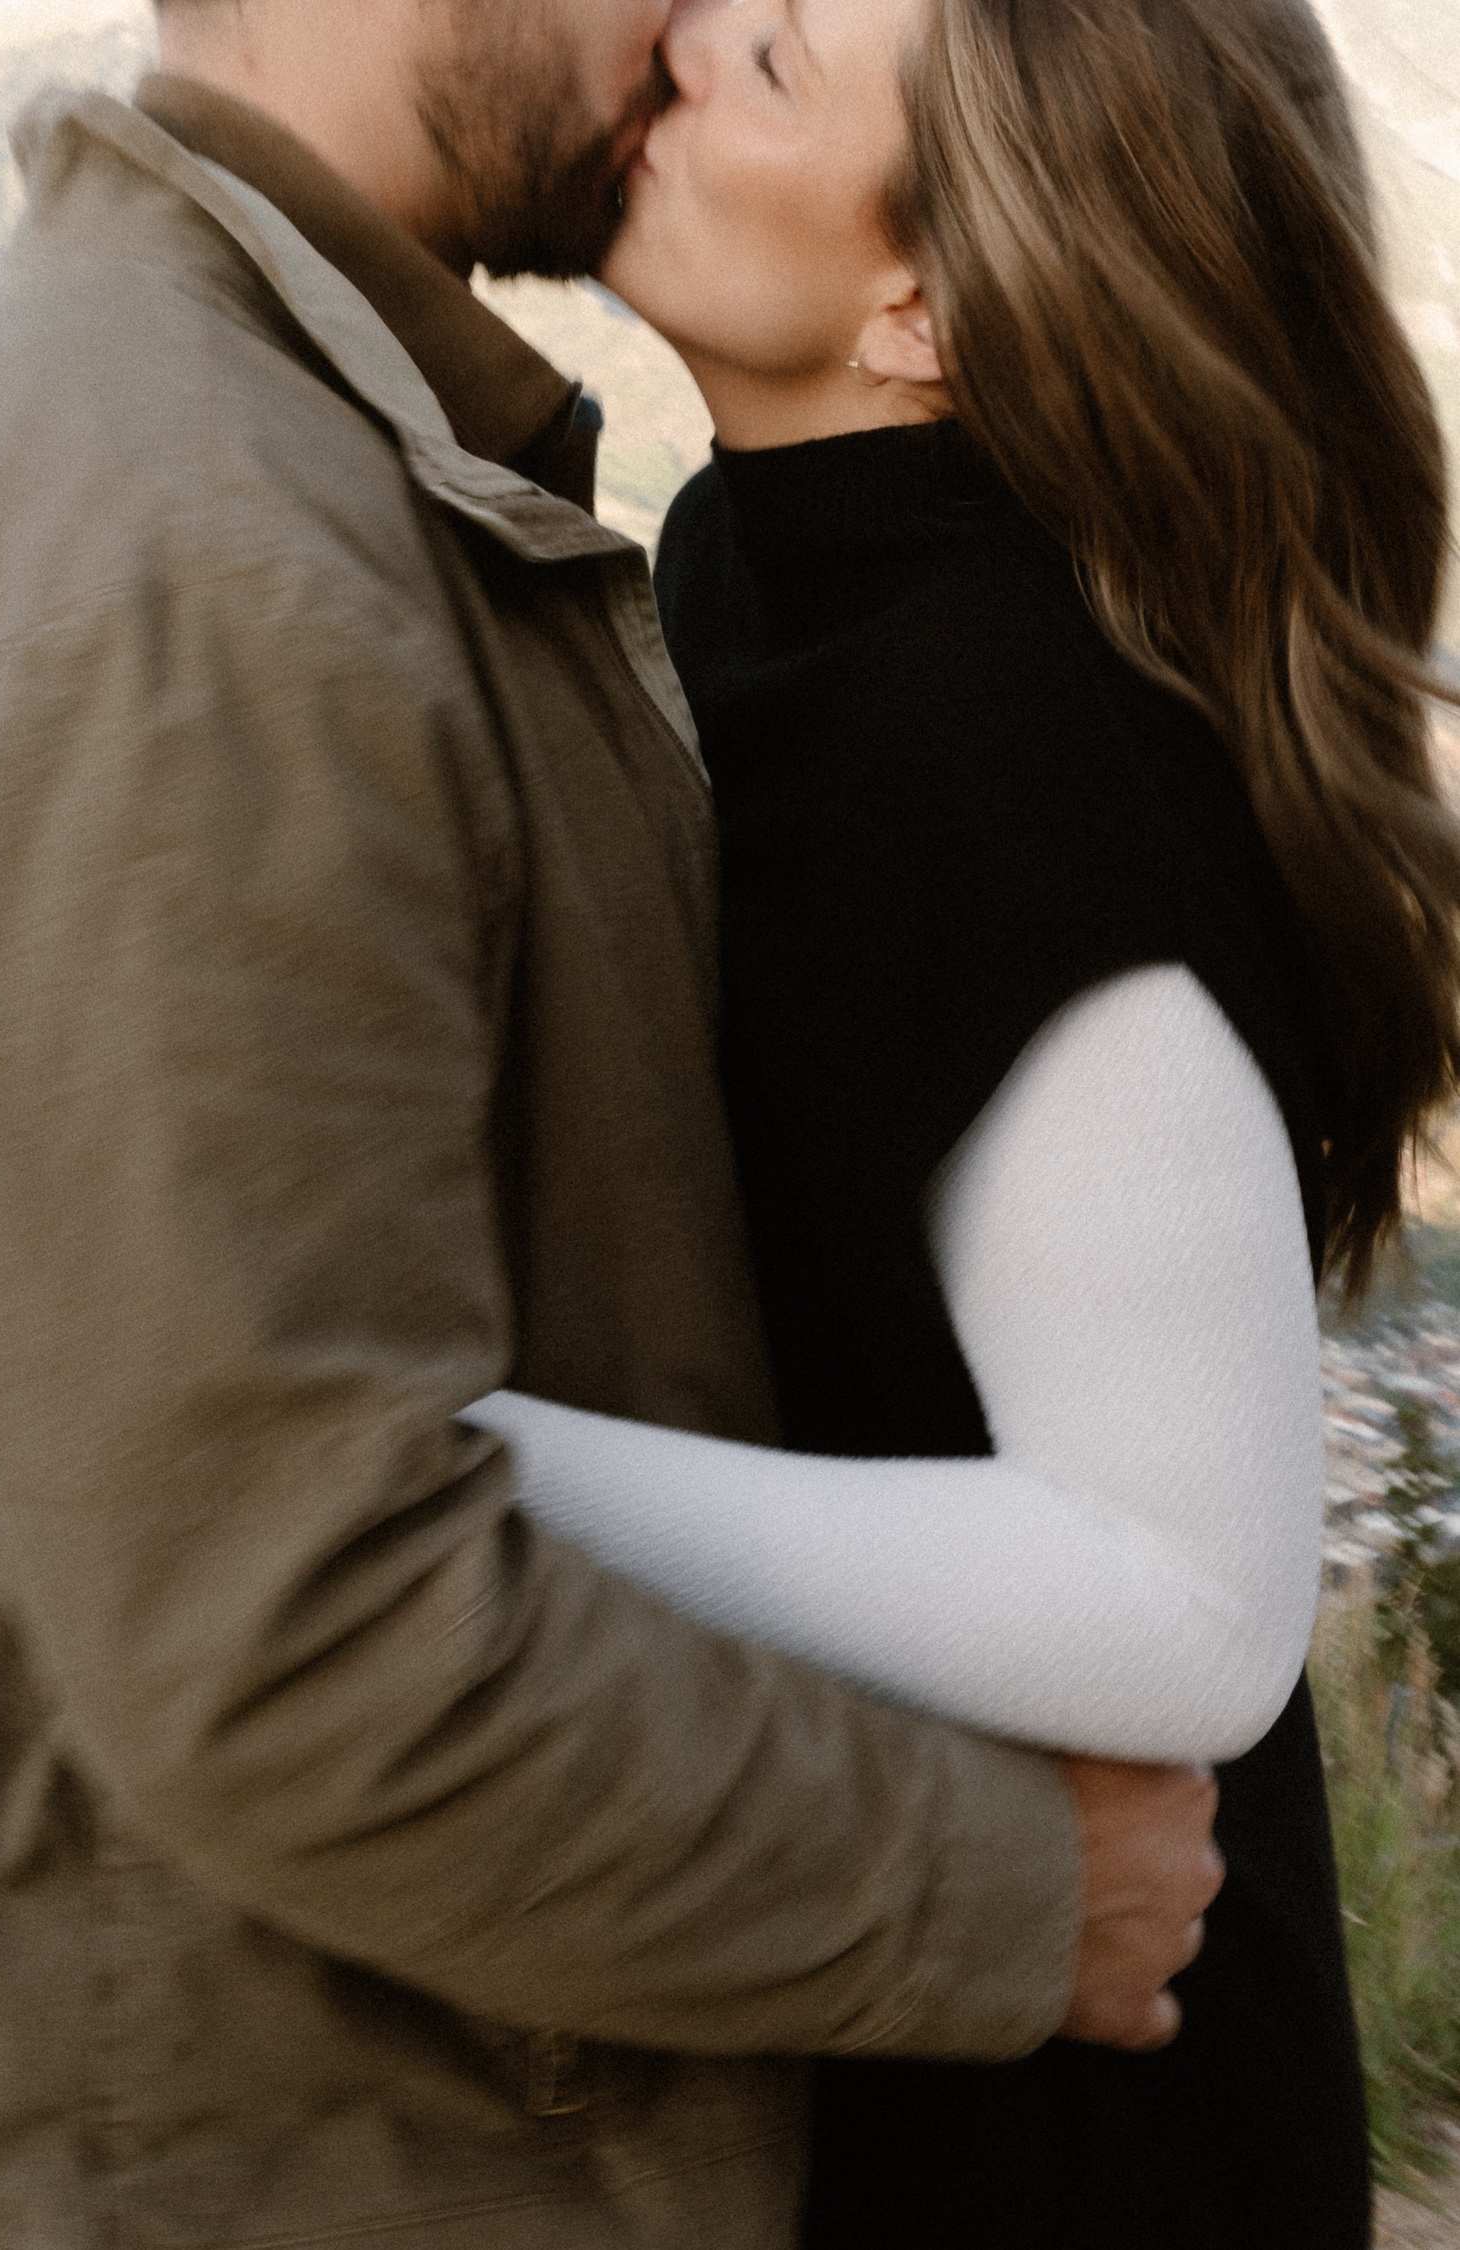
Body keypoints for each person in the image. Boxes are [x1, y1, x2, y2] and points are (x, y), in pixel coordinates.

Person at [0, 0, 1225, 2245]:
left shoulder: (341, 478)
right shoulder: (220, 554)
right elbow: (287, 1619)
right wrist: (1010, 1891)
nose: (686, 15)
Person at [470, 0, 1460, 2242]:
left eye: (784, 64)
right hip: (893, 1973)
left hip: (1086, 2122)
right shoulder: (768, 556)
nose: (685, 43)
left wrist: (451, 1465)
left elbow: (1189, 1603)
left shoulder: (1014, 732)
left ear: (927, 306)